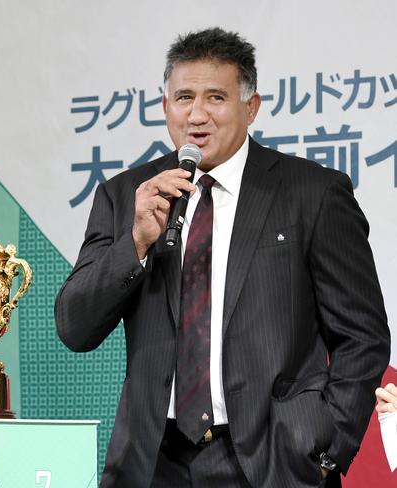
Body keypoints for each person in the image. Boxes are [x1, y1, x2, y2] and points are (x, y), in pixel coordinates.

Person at [55, 28, 390, 488]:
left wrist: (324, 450)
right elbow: (75, 327)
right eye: (184, 97)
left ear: (250, 107)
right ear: (164, 106)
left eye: (216, 97)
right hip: (153, 462)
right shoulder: (126, 197)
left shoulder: (311, 193)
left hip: (274, 462)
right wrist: (134, 243)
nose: (197, 115)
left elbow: (362, 334)